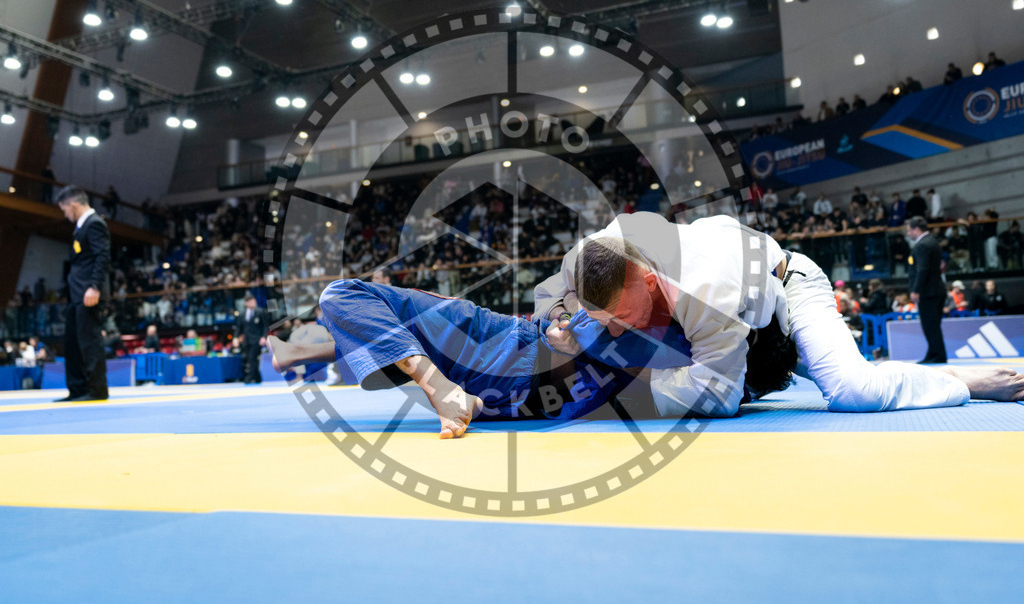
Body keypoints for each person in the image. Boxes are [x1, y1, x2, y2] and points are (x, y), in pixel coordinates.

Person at [535, 212, 1024, 418]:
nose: (620, 326)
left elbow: (720, 397)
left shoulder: (706, 286)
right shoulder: (589, 257)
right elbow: (553, 290)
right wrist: (555, 314)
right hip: (731, 319)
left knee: (856, 391)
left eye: (623, 313)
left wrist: (620, 392)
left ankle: (972, 380)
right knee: (594, 333)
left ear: (649, 281)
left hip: (786, 300)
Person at [270, 280, 796, 438]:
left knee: (353, 305)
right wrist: (564, 322)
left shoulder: (698, 356)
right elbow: (580, 322)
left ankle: (302, 351)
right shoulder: (694, 345)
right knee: (352, 303)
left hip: (505, 370)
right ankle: (302, 351)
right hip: (506, 348)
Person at [53, 185, 111, 402]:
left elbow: (102, 257)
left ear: (73, 205)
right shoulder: (81, 226)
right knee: (73, 343)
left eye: (65, 210)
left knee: (89, 342)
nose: (65, 214)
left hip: (89, 293)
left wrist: (94, 286)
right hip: (76, 294)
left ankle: (97, 390)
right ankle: (77, 389)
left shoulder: (94, 224)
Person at [906, 216, 946, 364]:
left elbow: (922, 270)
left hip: (928, 292)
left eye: (909, 230)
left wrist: (916, 290)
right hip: (936, 289)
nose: (908, 233)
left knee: (930, 325)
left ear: (916, 229)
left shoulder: (922, 245)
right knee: (933, 325)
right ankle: (933, 352)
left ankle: (938, 354)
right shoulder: (933, 241)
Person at [235, 293, 268, 383]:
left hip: (257, 340)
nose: (253, 303)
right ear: (246, 303)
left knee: (252, 357)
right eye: (250, 301)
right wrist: (235, 338)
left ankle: (249, 378)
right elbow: (239, 328)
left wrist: (264, 337)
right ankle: (257, 378)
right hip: (247, 340)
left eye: (254, 301)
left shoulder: (261, 312)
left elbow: (265, 326)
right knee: (249, 358)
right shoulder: (242, 315)